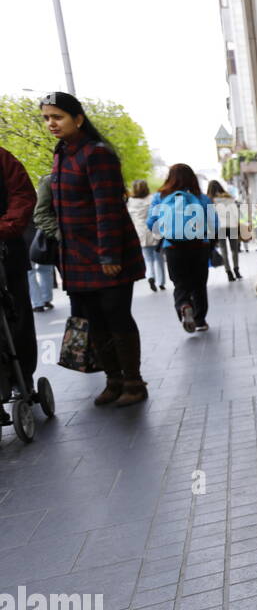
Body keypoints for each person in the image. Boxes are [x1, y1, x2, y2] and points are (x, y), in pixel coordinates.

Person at [41, 91, 147, 407]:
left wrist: (110, 254)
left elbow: (107, 207)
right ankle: (113, 380)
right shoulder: (62, 154)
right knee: (94, 321)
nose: (51, 124)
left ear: (78, 118)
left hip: (106, 253)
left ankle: (134, 382)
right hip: (75, 256)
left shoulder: (96, 153)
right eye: (47, 118)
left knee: (117, 317)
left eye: (57, 117)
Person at [147, 164, 212, 333]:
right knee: (199, 285)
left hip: (174, 247)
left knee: (180, 283)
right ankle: (200, 321)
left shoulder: (160, 197)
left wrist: (167, 231)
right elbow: (214, 224)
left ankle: (184, 305)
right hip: (199, 246)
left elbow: (151, 223)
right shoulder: (201, 197)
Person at [0, 146, 39, 392]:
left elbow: (23, 194)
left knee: (17, 316)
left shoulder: (3, 159)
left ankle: (22, 377)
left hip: (6, 251)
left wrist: (5, 227)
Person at [125, 180, 165, 292]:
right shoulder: (152, 199)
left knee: (147, 258)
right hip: (154, 231)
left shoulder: (130, 202)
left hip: (140, 233)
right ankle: (161, 282)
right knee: (159, 258)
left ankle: (150, 276)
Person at [29, 174, 58, 311]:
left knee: (31, 271)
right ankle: (46, 299)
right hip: (43, 235)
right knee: (45, 268)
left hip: (30, 236)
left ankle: (37, 302)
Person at [206, 180, 241, 281]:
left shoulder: (210, 200)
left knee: (223, 250)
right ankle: (236, 269)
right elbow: (235, 213)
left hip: (220, 228)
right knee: (234, 249)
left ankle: (229, 272)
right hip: (232, 225)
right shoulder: (228, 198)